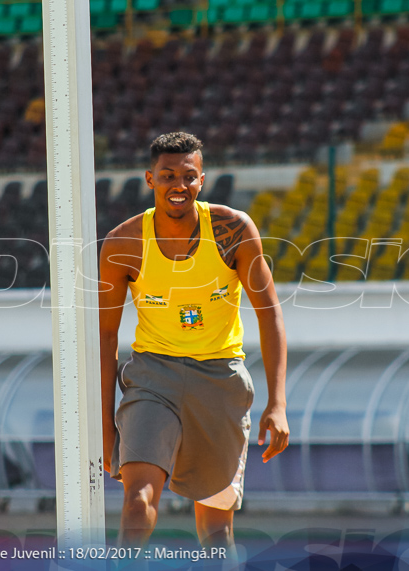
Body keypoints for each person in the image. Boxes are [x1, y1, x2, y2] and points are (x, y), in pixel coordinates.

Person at [98, 132, 289, 557]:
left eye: (188, 176)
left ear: (202, 180)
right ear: (150, 180)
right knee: (137, 503)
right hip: (153, 376)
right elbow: (107, 335)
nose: (178, 185)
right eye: (167, 176)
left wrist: (277, 403)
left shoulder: (233, 229)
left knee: (216, 530)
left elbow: (270, 314)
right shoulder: (123, 243)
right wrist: (104, 420)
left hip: (220, 377)